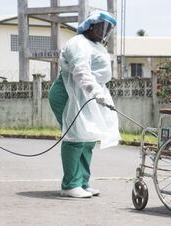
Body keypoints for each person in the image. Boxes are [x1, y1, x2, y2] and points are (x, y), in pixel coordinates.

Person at [48, 11, 120, 198]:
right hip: (69, 92)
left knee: (88, 138)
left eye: (108, 28)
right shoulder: (78, 43)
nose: (104, 31)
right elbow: (81, 71)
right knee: (76, 136)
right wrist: (95, 92)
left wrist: (98, 92)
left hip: (85, 94)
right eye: (102, 26)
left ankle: (82, 182)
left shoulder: (96, 46)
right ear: (90, 25)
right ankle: (70, 185)